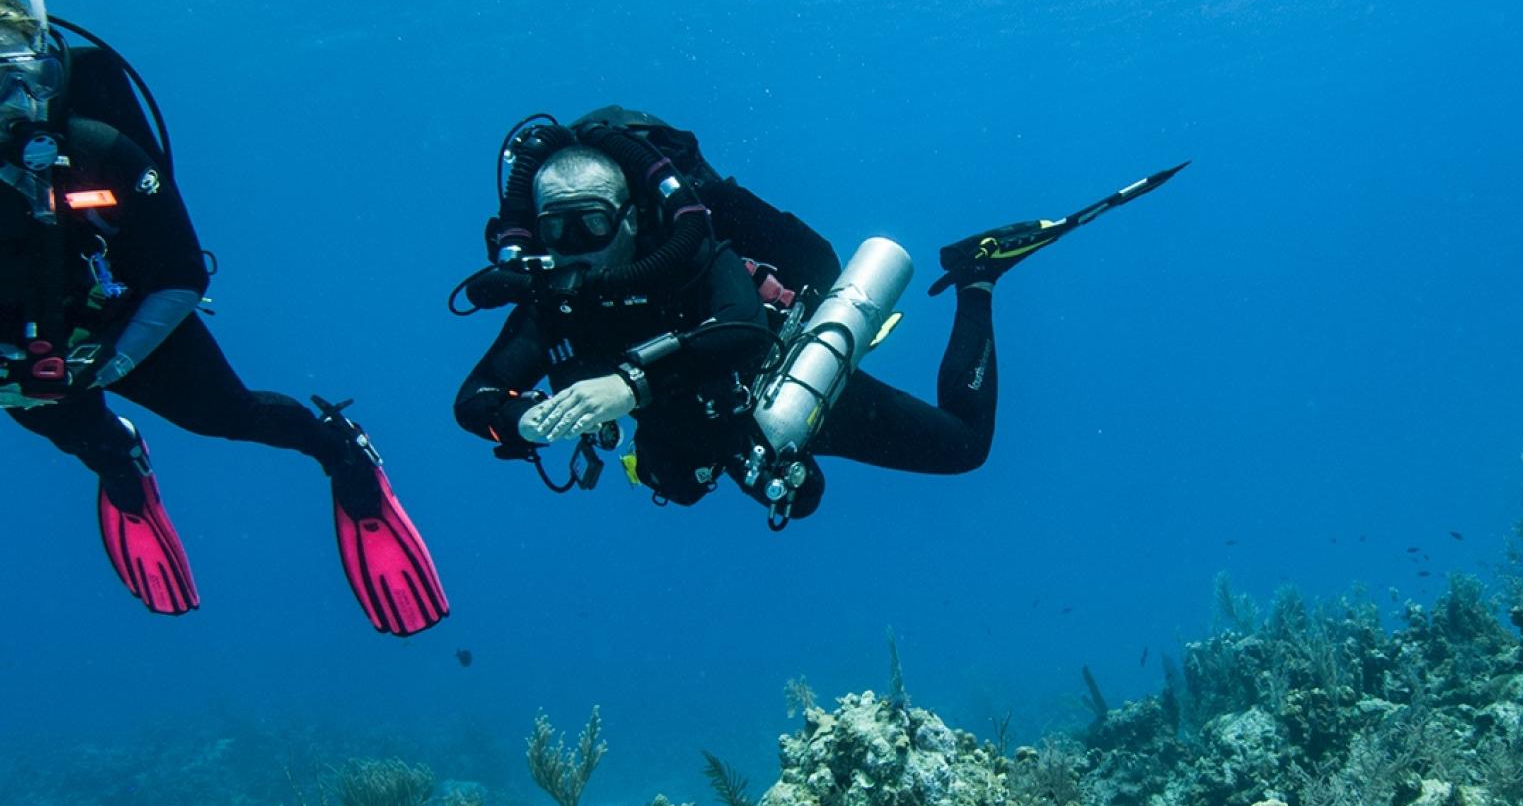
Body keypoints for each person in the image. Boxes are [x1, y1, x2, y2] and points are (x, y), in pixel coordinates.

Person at [0, 0, 447, 635]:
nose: (22, 103)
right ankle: (121, 462)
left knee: (229, 415)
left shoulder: (101, 149)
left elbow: (179, 272)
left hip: (126, 321)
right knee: (84, 438)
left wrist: (118, 358)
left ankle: (340, 450)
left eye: (34, 76)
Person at [452, 106, 1182, 525]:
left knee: (963, 448)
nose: (576, 250)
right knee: (781, 496)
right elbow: (475, 399)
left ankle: (977, 276)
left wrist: (629, 385)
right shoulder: (555, 301)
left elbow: (738, 328)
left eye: (591, 225)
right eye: (555, 231)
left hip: (778, 378)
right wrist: (517, 420)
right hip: (724, 428)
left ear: (634, 218)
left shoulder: (694, 255)